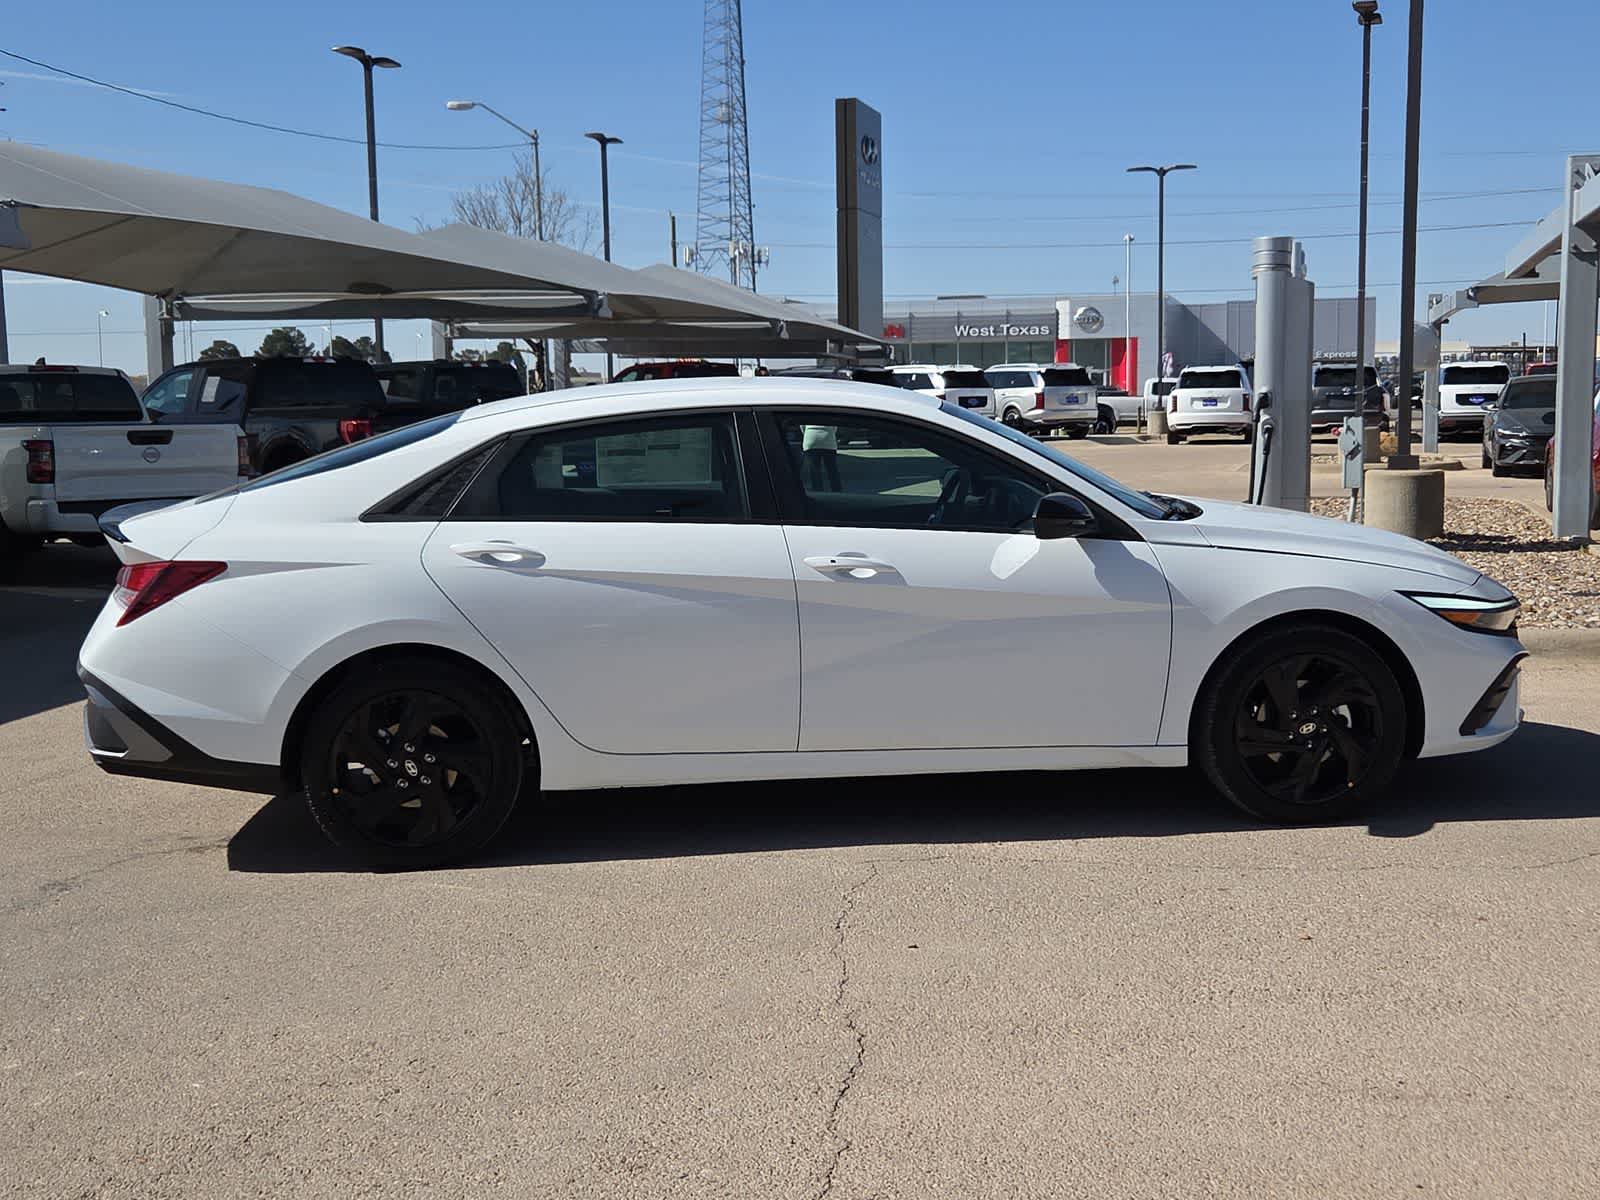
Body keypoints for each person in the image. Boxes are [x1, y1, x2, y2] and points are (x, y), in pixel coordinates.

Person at [802, 423, 840, 492]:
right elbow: (835, 427)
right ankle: (837, 492)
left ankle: (818, 492)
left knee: (815, 470)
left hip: (811, 438)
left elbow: (802, 426)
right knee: (832, 469)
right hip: (828, 438)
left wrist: (807, 433)